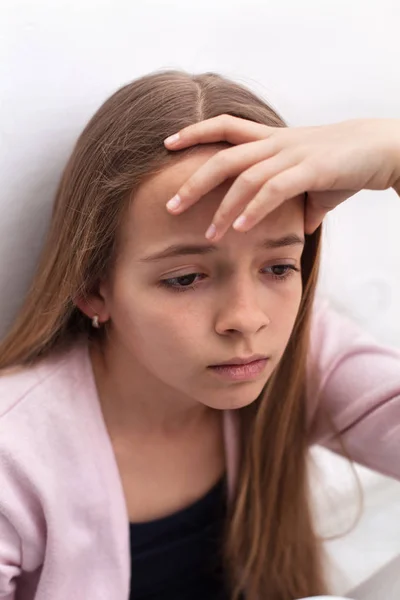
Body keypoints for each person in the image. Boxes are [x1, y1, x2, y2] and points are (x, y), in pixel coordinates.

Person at [0, 69, 399, 600]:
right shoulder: (15, 455)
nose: (246, 318)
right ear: (93, 289)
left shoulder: (306, 354)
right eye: (186, 278)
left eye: (278, 268)